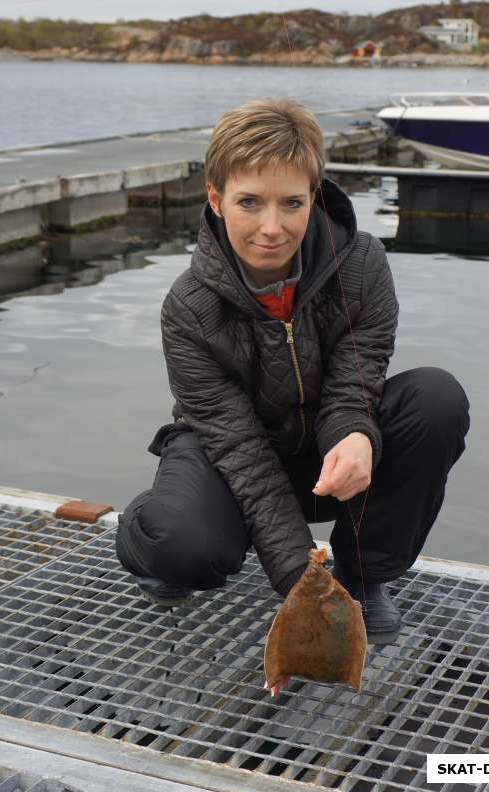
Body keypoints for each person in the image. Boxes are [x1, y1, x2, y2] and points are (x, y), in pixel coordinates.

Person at [115, 98, 470, 695]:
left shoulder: (362, 264)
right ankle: (142, 530)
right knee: (182, 548)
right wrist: (303, 586)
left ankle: (365, 578)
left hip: (322, 455)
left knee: (435, 398)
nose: (271, 227)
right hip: (230, 456)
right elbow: (242, 452)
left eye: (292, 203)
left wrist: (355, 434)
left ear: (315, 194)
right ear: (215, 198)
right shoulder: (187, 309)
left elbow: (356, 383)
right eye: (249, 202)